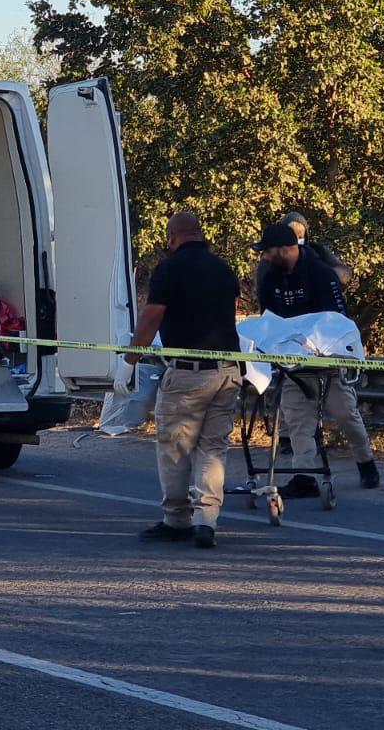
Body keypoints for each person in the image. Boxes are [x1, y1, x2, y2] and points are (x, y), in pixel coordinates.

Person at [127, 211, 242, 549]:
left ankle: (177, 519)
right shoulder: (224, 269)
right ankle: (207, 520)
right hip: (228, 372)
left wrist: (130, 360)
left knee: (175, 446)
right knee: (213, 448)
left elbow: (152, 317)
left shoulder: (170, 268)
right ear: (200, 234)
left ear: (172, 237)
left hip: (188, 374)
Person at [254, 222, 380, 495]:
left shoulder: (322, 275)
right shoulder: (270, 279)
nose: (263, 257)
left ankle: (366, 461)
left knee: (346, 413)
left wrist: (320, 350)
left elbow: (336, 321)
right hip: (292, 363)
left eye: (267, 251)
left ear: (286, 250)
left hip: (326, 359)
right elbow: (269, 322)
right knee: (298, 418)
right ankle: (305, 476)